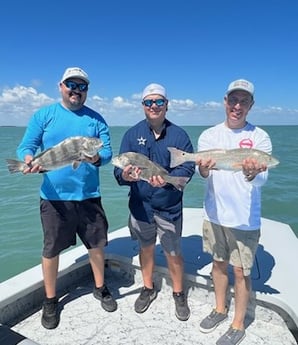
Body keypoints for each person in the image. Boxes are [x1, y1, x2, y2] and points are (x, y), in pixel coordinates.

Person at [16, 67, 117, 330]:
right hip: (53, 198)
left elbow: (106, 153)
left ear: (87, 91)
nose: (76, 90)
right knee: (51, 249)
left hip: (89, 196)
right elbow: (26, 146)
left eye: (82, 86)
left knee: (96, 245)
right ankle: (50, 300)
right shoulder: (44, 115)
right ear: (61, 85)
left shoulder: (96, 119)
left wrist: (96, 157)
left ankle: (100, 287)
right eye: (72, 84)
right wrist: (29, 160)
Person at [196, 79, 272, 345]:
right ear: (225, 102)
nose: (237, 106)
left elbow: (263, 179)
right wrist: (203, 168)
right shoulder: (209, 135)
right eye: (233, 100)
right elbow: (202, 173)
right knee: (218, 265)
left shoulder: (260, 137)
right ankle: (219, 308)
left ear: (251, 105)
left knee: (241, 272)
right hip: (214, 214)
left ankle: (238, 323)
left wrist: (253, 172)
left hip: (245, 218)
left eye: (244, 101)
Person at [113, 83, 195, 321]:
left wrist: (168, 182)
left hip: (169, 206)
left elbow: (188, 166)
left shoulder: (179, 135)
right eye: (149, 102)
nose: (154, 106)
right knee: (145, 249)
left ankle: (179, 293)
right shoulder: (131, 135)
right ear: (143, 106)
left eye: (159, 101)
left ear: (167, 105)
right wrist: (125, 176)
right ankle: (148, 288)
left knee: (172, 251)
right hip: (140, 206)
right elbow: (119, 172)